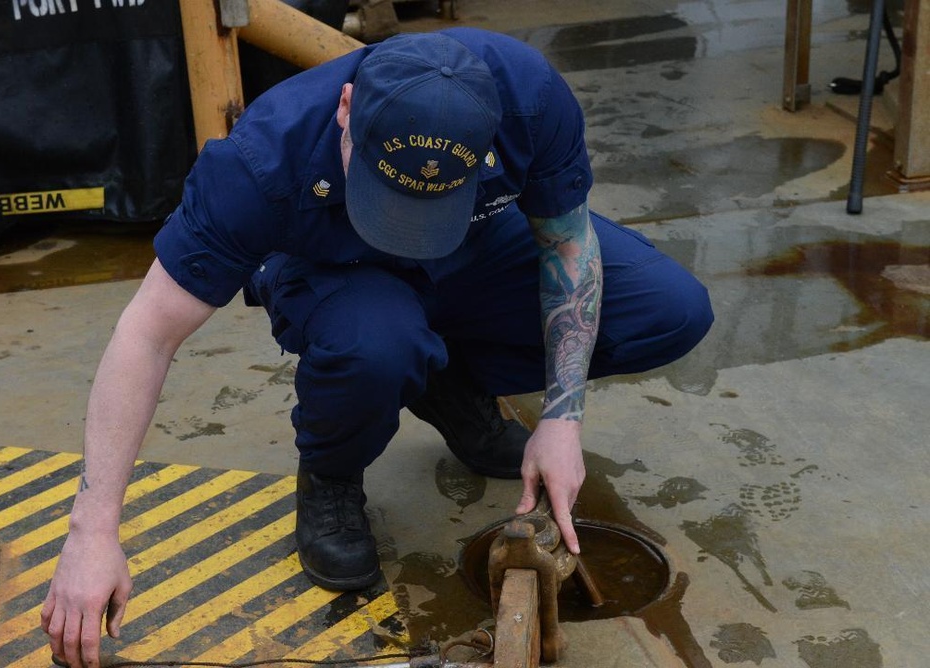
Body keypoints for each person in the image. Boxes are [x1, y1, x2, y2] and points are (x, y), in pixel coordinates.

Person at [41, 28, 712, 667]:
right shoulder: (258, 165)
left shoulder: (528, 95)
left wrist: (563, 416)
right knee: (374, 346)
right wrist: (92, 532)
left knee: (671, 311)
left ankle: (447, 381)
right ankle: (332, 472)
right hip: (337, 268)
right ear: (345, 109)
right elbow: (147, 333)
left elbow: (567, 243)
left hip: (474, 245)